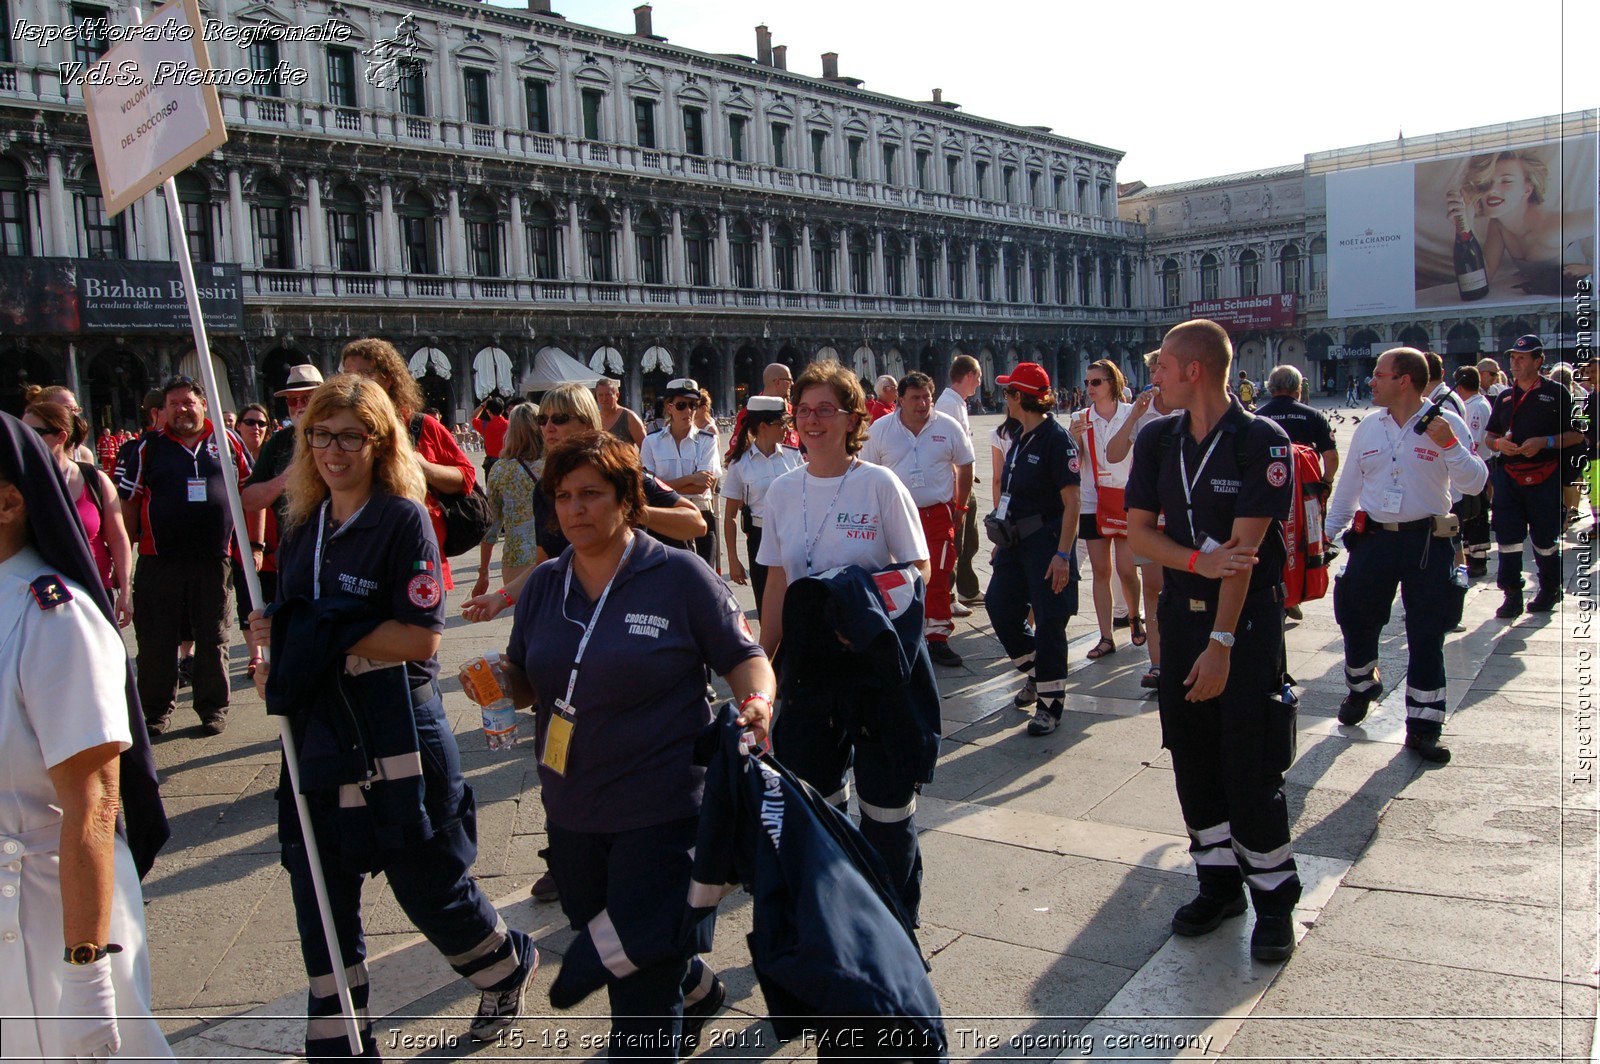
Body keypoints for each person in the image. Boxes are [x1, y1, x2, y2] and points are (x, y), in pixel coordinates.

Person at [248, 375, 536, 1059]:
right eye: (320, 434)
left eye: (350, 435)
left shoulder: (400, 518)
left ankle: (504, 964)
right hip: (321, 732)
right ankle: (342, 1045)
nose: (332, 449)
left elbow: (419, 639)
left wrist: (315, 630)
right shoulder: (303, 524)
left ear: (380, 443)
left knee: (428, 885)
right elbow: (295, 629)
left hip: (396, 726)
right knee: (320, 894)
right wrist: (274, 644)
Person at [479, 430, 774, 1059]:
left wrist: (756, 703)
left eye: (591, 494)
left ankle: (666, 997)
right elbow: (528, 681)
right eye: (562, 496)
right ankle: (693, 986)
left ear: (629, 502)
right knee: (606, 938)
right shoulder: (543, 585)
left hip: (665, 811)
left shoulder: (679, 576)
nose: (575, 509)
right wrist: (499, 683)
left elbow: (745, 656)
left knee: (637, 997)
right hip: (573, 809)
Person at [1124, 319, 1300, 964]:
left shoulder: (1262, 440)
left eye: (1163, 367)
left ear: (1193, 369)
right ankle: (1218, 884)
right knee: (1192, 759)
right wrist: (1194, 564)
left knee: (1250, 766)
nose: (1155, 378)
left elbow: (1245, 555)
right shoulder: (1156, 437)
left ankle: (1275, 900)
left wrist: (1221, 643)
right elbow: (1138, 534)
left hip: (1244, 626)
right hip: (1182, 612)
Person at [0, 411, 173, 1061]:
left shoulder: (53, 618)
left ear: (10, 501)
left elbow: (95, 805)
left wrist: (87, 978)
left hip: (48, 915)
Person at [756, 360, 930, 917]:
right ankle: (838, 916)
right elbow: (778, 578)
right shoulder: (783, 491)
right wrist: (764, 662)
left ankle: (896, 920)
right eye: (803, 410)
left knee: (886, 805)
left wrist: (852, 597)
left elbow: (916, 567)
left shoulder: (879, 483)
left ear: (852, 417)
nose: (812, 420)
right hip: (810, 664)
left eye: (825, 409)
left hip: (872, 661)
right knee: (816, 797)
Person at [1325, 347, 1488, 765]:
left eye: (1378, 375)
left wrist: (1449, 445)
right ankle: (1362, 685)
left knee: (1427, 633)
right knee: (1356, 617)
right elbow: (1347, 490)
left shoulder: (1445, 422)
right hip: (1375, 539)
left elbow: (1474, 483)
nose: (1370, 381)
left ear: (1404, 380)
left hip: (1426, 542)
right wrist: (1324, 538)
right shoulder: (1369, 427)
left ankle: (1424, 726)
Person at [117, 376, 252, 736]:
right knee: (156, 640)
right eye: (174, 403)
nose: (181, 409)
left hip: (213, 560)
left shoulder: (228, 442)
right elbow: (129, 504)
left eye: (188, 402)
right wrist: (126, 553)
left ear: (203, 404)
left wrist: (254, 545)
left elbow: (248, 495)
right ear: (164, 410)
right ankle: (155, 712)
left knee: (214, 637)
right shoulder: (148, 447)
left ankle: (213, 709)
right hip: (158, 560)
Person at [982, 360, 1081, 735]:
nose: (1004, 397)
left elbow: (1072, 501)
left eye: (1008, 392)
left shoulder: (1058, 441)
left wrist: (1063, 555)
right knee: (1000, 606)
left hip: (1046, 543)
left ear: (1021, 397)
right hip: (1015, 542)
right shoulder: (1020, 436)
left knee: (1050, 621)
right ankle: (1039, 672)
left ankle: (1050, 705)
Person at [340, 338, 477, 591]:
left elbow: (466, 477)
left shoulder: (419, 426)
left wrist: (423, 466)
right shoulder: (340, 430)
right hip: (360, 559)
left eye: (366, 373)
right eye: (348, 374)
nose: (356, 381)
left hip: (418, 555)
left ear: (388, 378)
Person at [862, 370, 975, 667]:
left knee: (938, 574)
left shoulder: (948, 427)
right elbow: (865, 472)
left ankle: (937, 637)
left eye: (926, 397)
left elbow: (966, 465)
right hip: (894, 514)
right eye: (915, 398)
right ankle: (897, 634)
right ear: (900, 400)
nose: (922, 403)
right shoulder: (881, 429)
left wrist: (960, 508)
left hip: (936, 512)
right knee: (894, 576)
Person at [1484, 335, 1582, 616]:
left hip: (1545, 476)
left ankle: (1549, 588)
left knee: (1544, 539)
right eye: (1513, 357)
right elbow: (1490, 437)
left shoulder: (1558, 393)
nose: (1515, 362)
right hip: (1509, 477)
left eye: (1522, 357)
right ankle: (1511, 593)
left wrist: (1545, 442)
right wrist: (1499, 444)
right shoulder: (1504, 396)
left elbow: (1577, 435)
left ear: (1538, 361)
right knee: (1508, 537)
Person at [24, 399, 134, 626]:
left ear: (61, 437)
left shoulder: (94, 479)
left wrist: (125, 590)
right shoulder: (19, 485)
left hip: (94, 590)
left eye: (34, 432)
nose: (25, 438)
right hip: (39, 599)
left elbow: (118, 537)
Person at [1106, 358, 1175, 689]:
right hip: (1149, 511)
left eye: (1162, 370)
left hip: (1184, 513)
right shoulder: (1141, 411)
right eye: (1152, 371)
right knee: (1153, 587)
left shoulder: (1189, 409)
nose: (1155, 378)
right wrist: (1134, 414)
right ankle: (1158, 662)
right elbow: (1114, 454)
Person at [1067, 359, 1142, 662]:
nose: (1090, 388)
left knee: (1126, 569)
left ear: (1113, 383)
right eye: (1087, 383)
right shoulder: (1080, 417)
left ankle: (1135, 615)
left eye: (1096, 382)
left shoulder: (1131, 414)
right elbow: (1076, 462)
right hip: (1091, 499)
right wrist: (1073, 437)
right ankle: (1105, 636)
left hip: (1124, 499)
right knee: (1100, 571)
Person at [1446, 149, 1595, 293]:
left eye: (1506, 181)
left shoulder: (1552, 226)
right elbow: (1482, 278)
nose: (1492, 190)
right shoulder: (1498, 225)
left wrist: (1592, 269)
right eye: (1486, 182)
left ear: (1527, 190)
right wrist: (1467, 224)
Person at [720, 395, 801, 613]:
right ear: (763, 426)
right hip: (759, 537)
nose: (787, 429)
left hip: (793, 535)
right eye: (781, 424)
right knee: (767, 607)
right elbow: (730, 516)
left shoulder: (793, 457)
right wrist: (734, 559)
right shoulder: (740, 464)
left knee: (797, 604)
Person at [640, 378, 721, 568]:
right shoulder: (651, 442)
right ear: (669, 408)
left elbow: (704, 485)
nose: (688, 411)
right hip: (666, 519)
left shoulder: (706, 440)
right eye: (681, 405)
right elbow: (647, 488)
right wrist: (691, 478)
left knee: (703, 584)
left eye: (693, 405)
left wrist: (663, 484)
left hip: (700, 514)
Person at [475, 402, 543, 600]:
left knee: (523, 621)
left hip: (517, 557)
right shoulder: (554, 464)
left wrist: (483, 572)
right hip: (552, 551)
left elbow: (492, 526)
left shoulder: (500, 470)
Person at [938, 355, 985, 614]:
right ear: (968, 375)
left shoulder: (958, 403)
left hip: (966, 481)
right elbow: (948, 449)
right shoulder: (948, 404)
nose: (979, 382)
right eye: (977, 377)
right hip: (956, 484)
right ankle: (949, 593)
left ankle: (968, 588)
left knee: (970, 539)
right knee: (955, 541)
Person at [1454, 366, 1496, 575]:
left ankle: (1477, 561)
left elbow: (1473, 442)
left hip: (1478, 465)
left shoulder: (1474, 407)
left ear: (1459, 386)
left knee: (1475, 514)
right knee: (1475, 513)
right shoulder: (1478, 403)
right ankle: (1474, 556)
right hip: (1481, 464)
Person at [728, 363, 800, 451]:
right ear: (778, 382)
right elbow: (736, 450)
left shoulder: (792, 410)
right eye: (789, 380)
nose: (792, 384)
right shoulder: (751, 412)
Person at [596, 377, 646, 446]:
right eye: (600, 395)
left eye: (608, 395)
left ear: (617, 395)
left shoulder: (629, 417)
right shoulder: (593, 419)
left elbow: (645, 447)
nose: (604, 399)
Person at [471, 395, 510, 477]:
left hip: (491, 462)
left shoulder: (485, 425)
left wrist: (482, 405)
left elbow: (473, 417)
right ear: (502, 410)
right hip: (507, 461)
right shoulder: (510, 424)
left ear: (488, 411)